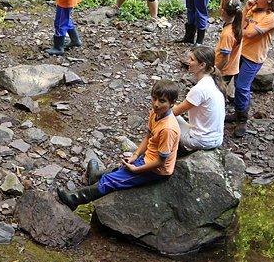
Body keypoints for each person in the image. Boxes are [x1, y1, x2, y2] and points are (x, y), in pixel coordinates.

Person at [57, 80, 181, 210]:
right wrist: (135, 155)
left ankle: (74, 199)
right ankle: (95, 176)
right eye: (154, 98)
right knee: (121, 169)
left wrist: (137, 169)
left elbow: (161, 162)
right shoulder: (155, 113)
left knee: (111, 181)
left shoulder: (168, 129)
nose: (156, 104)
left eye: (162, 101)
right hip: (148, 158)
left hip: (157, 170)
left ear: (172, 103)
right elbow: (148, 136)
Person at [231, 0, 274, 138]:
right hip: (242, 51)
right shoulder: (254, 9)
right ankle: (237, 112)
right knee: (236, 83)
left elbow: (247, 34)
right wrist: (246, 10)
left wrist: (240, 27)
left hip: (254, 57)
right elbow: (239, 27)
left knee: (242, 87)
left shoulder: (272, 17)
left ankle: (243, 119)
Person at [173, 46, 225, 153]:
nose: (188, 62)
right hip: (217, 138)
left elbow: (174, 112)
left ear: (202, 65)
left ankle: (163, 155)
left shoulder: (199, 89)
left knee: (162, 116)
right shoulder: (213, 82)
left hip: (201, 140)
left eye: (192, 60)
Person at [215, 0, 244, 88]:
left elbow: (225, 58)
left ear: (222, 11)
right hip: (231, 68)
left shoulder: (227, 34)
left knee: (218, 89)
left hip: (224, 70)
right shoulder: (237, 24)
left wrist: (216, 71)